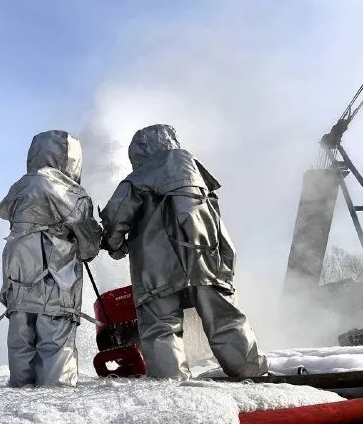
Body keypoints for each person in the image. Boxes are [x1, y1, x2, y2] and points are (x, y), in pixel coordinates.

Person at [99, 124, 268, 380]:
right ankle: (250, 371)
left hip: (158, 266)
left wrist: (113, 245)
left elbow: (116, 215)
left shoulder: (139, 177)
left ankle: (172, 384)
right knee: (225, 317)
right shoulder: (198, 174)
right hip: (206, 257)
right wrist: (225, 262)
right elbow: (215, 219)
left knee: (161, 326)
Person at [0, 129, 103, 387]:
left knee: (21, 340)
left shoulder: (19, 186)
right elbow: (88, 245)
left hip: (18, 278)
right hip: (55, 279)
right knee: (55, 342)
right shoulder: (71, 191)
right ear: (71, 159)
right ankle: (54, 405)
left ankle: (19, 401)